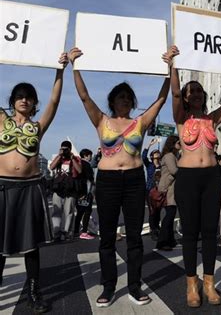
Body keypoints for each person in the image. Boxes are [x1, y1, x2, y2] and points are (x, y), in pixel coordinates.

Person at [68, 47, 171, 307]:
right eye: (120, 97)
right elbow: (83, 96)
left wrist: (169, 69)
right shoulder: (101, 120)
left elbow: (161, 99)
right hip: (108, 182)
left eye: (128, 97)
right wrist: (74, 65)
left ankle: (135, 287)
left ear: (133, 102)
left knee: (135, 237)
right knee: (107, 237)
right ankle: (108, 286)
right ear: (112, 101)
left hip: (135, 181)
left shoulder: (140, 122)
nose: (125, 100)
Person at [170, 45, 221, 307]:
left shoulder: (212, 118)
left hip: (211, 178)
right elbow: (173, 91)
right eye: (190, 90)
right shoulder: (181, 118)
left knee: (210, 231)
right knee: (191, 232)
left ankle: (209, 282)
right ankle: (191, 284)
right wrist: (172, 64)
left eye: (198, 90)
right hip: (187, 178)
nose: (195, 93)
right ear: (185, 97)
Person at [0, 53, 68, 313]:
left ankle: (33, 292)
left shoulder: (38, 126)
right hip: (2, 187)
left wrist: (60, 71)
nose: (24, 100)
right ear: (13, 101)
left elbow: (55, 100)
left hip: (29, 187)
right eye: (19, 96)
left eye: (28, 97)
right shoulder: (1, 121)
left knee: (31, 246)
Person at [50, 140, 82, 242]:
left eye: (66, 149)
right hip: (59, 188)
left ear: (70, 149)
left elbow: (80, 171)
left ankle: (67, 232)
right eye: (62, 149)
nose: (64, 151)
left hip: (71, 188)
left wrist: (72, 159)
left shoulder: (76, 158)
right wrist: (59, 156)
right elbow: (52, 167)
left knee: (69, 212)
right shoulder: (59, 158)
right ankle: (56, 233)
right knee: (56, 211)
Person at [154, 135, 180, 251]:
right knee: (169, 216)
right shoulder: (169, 156)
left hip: (171, 189)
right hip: (169, 189)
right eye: (179, 143)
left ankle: (170, 240)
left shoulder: (172, 155)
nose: (180, 145)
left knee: (170, 214)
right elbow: (174, 171)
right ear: (173, 143)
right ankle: (162, 241)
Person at [142, 137, 162, 240]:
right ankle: (153, 230)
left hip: (160, 191)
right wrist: (150, 145)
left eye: (158, 153)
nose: (157, 154)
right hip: (150, 190)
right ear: (152, 156)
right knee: (152, 211)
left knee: (158, 211)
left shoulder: (162, 166)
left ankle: (157, 228)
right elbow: (143, 157)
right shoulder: (149, 165)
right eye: (155, 153)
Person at [74, 148, 96, 240]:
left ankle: (76, 231)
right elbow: (89, 180)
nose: (91, 157)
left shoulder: (79, 164)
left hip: (79, 192)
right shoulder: (86, 165)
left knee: (79, 212)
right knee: (87, 211)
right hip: (85, 192)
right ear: (86, 155)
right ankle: (84, 232)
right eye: (90, 155)